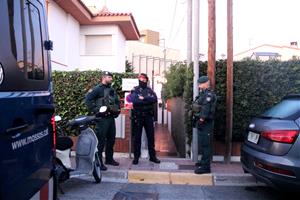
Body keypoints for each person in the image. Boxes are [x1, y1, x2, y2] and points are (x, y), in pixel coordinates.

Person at [85, 71, 121, 171]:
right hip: (102, 119)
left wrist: (118, 110)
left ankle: (109, 159)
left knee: (111, 139)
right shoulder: (97, 89)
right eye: (109, 77)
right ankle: (98, 162)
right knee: (100, 141)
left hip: (110, 118)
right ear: (104, 78)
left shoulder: (112, 89)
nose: (111, 79)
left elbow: (117, 101)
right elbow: (88, 100)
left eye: (111, 77)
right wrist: (96, 111)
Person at [130, 73, 160, 165]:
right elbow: (134, 101)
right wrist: (147, 100)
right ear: (138, 80)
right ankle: (136, 157)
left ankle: (152, 157)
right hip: (138, 117)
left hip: (148, 117)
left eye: (144, 80)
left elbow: (154, 99)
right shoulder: (134, 90)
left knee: (151, 137)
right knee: (137, 138)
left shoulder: (150, 90)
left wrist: (143, 98)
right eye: (141, 80)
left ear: (147, 80)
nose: (142, 81)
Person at [193, 75, 217, 174]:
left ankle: (206, 167)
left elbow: (206, 109)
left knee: (206, 146)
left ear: (205, 83)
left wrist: (201, 120)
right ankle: (203, 162)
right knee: (203, 144)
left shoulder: (208, 95)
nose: (198, 86)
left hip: (205, 123)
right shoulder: (203, 93)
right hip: (202, 123)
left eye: (200, 84)